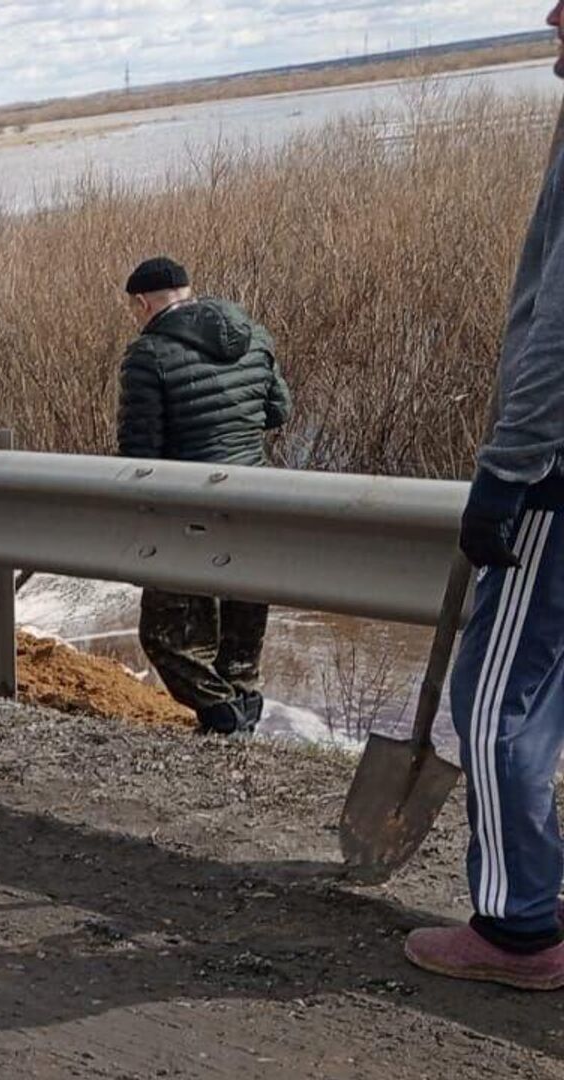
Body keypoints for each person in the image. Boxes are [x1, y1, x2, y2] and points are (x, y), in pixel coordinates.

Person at [404, 0, 564, 989]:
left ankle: (518, 930)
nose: (551, 14)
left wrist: (508, 469)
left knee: (496, 695)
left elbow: (559, 327)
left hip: (555, 476)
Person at [116, 256, 289, 736]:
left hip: (189, 511)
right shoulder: (253, 334)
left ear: (142, 302)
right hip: (254, 500)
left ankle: (220, 716)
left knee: (164, 636)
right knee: (241, 633)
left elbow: (138, 452)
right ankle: (240, 721)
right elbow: (279, 410)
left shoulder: (147, 355)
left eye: (134, 309)